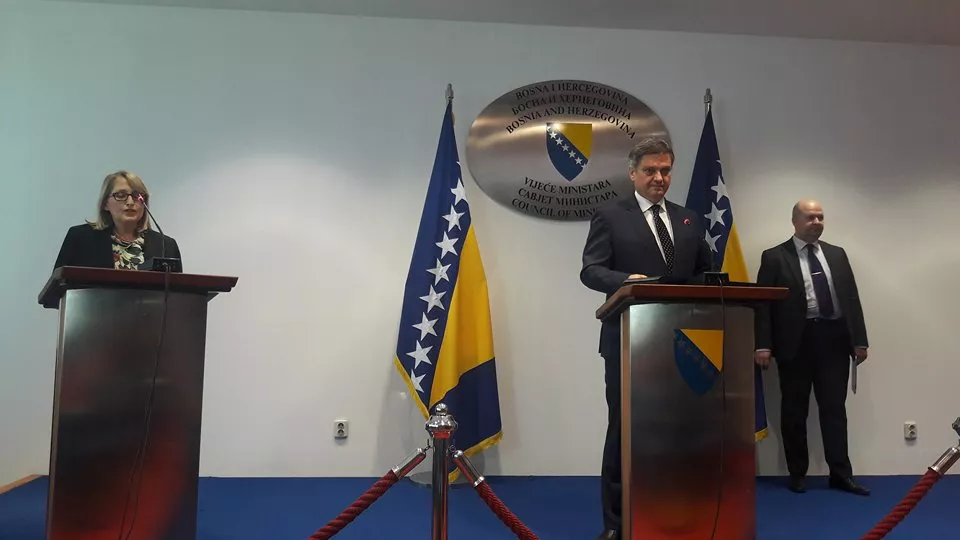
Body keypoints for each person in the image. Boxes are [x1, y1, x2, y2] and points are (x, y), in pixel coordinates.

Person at [580, 138, 712, 540]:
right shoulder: (611, 216)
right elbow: (591, 269)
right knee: (625, 430)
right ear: (633, 173)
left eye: (666, 170)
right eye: (651, 170)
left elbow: (705, 273)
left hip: (684, 340)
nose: (659, 178)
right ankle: (616, 522)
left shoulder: (688, 219)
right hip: (628, 339)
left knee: (679, 430)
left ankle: (674, 512)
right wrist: (628, 280)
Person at [754, 199, 869, 496]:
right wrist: (763, 345)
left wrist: (859, 340)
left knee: (834, 409)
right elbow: (763, 305)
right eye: (810, 217)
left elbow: (851, 298)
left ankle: (841, 474)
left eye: (820, 217)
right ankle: (797, 473)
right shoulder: (774, 257)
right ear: (795, 221)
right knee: (794, 410)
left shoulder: (837, 254)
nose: (817, 222)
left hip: (834, 340)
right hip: (796, 342)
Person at [54, 170, 181, 271]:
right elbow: (57, 289)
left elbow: (178, 292)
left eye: (137, 196)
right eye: (121, 195)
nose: (130, 202)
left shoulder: (166, 246)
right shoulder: (80, 238)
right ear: (105, 204)